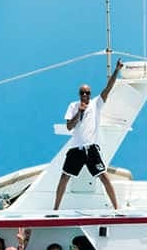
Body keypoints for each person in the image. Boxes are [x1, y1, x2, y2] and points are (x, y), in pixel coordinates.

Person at [52, 78, 122, 210]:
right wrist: (79, 112)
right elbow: (69, 127)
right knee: (64, 177)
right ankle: (55, 210)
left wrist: (116, 70)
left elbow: (108, 88)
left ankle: (117, 208)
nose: (85, 94)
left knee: (104, 177)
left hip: (91, 149)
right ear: (79, 94)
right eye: (82, 92)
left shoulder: (96, 103)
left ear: (90, 94)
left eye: (87, 92)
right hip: (76, 149)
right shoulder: (73, 106)